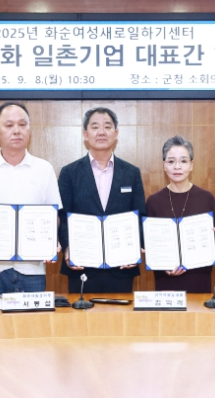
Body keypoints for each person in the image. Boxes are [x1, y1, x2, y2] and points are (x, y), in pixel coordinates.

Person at [0, 101, 62, 295]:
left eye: (22, 124)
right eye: (9, 125)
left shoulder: (44, 169)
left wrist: (51, 239)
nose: (17, 131)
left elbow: (54, 216)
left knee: (32, 316)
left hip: (32, 270)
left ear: (29, 129)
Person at [59, 107, 146, 293]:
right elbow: (63, 217)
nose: (101, 132)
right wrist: (67, 247)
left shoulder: (131, 173)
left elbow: (139, 216)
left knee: (121, 313)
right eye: (95, 127)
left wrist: (135, 247)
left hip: (122, 267)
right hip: (81, 266)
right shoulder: (69, 173)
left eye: (107, 127)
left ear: (116, 133)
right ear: (85, 134)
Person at [145, 136, 215, 293]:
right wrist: (163, 266)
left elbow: (214, 238)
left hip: (198, 278)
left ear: (191, 165)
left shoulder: (206, 198)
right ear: (164, 165)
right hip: (165, 280)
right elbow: (149, 243)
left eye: (183, 161)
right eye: (171, 161)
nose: (177, 167)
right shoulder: (153, 201)